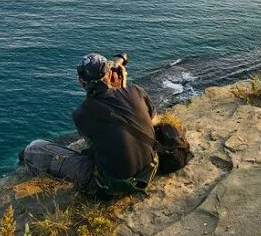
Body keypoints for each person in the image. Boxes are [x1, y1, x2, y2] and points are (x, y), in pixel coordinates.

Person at [20, 52, 159, 197]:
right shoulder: (136, 91)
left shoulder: (82, 114)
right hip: (149, 169)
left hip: (113, 185)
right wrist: (121, 89)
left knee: (34, 149)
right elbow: (151, 120)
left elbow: (98, 143)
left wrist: (116, 90)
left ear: (80, 82)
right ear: (110, 73)